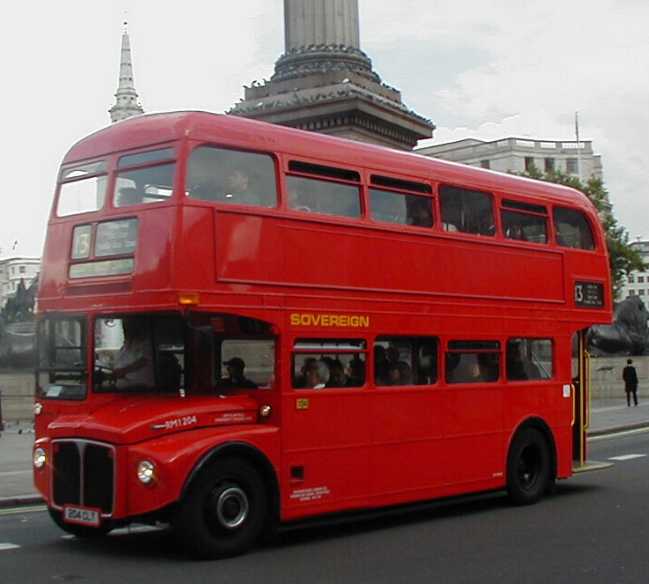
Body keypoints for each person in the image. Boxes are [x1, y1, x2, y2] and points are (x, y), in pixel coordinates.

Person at [113, 317, 154, 390]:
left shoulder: (146, 343)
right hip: (122, 389)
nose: (124, 330)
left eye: (127, 326)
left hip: (139, 389)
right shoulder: (126, 345)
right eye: (124, 327)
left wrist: (123, 371)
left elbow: (144, 360)